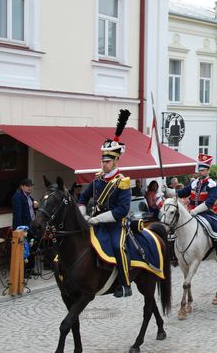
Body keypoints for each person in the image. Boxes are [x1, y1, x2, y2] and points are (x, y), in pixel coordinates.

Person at [78, 109, 133, 298]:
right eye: (103, 161)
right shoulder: (97, 179)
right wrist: (84, 215)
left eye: (108, 161)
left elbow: (122, 210)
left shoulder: (123, 182)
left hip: (116, 225)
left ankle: (125, 283)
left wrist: (97, 219)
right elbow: (82, 198)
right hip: (96, 222)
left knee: (118, 247)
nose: (104, 164)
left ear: (116, 161)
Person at [177, 153, 217, 263]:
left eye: (203, 170)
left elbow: (209, 202)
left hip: (205, 213)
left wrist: (196, 210)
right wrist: (171, 192)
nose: (201, 172)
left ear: (208, 170)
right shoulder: (194, 183)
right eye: (200, 170)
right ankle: (175, 253)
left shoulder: (212, 184)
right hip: (190, 212)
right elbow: (183, 192)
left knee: (216, 227)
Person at [12, 178, 38, 277]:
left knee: (32, 247)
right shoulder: (18, 197)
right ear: (22, 186)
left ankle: (31, 269)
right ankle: (23, 271)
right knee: (24, 249)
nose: (30, 188)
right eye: (27, 186)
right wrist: (20, 228)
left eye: (31, 186)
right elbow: (17, 214)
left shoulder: (30, 197)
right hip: (23, 227)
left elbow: (32, 211)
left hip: (31, 225)